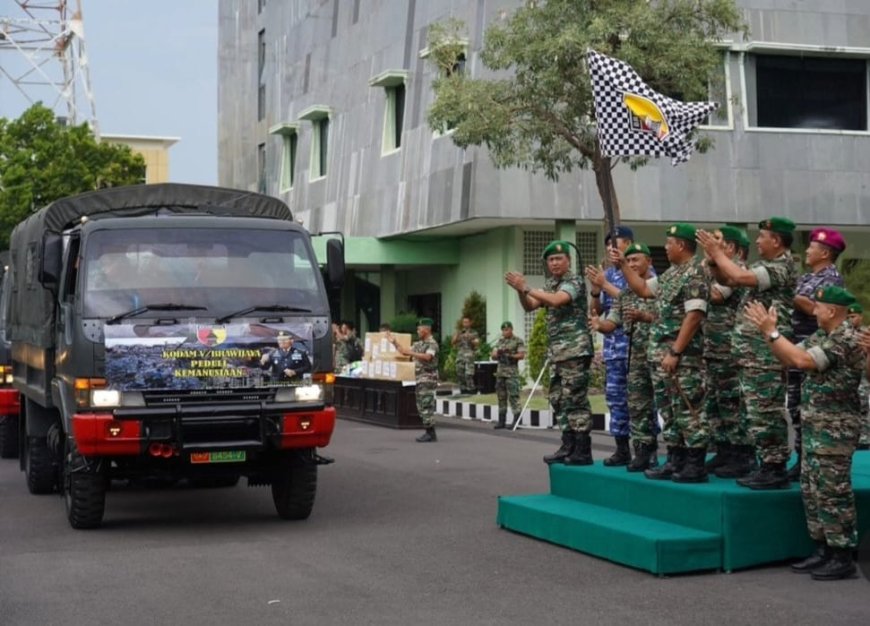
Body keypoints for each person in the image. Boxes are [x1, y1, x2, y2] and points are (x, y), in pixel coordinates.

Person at [745, 286, 864, 581]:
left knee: (832, 491)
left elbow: (803, 362)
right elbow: (793, 354)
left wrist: (772, 333)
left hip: (834, 428)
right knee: (812, 489)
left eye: (819, 305)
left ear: (833, 310)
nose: (814, 309)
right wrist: (768, 332)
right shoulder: (822, 335)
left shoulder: (845, 337)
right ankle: (823, 548)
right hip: (816, 425)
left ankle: (842, 554)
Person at [698, 217, 798, 490]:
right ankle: (765, 464)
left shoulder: (782, 267)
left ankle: (774, 466)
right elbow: (727, 277)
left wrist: (718, 253)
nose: (756, 241)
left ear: (776, 240)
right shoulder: (762, 265)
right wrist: (713, 259)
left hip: (766, 351)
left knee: (766, 409)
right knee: (754, 410)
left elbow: (739, 277)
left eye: (762, 237)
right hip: (750, 351)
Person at [618, 224, 710, 482]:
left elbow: (694, 315)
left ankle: (695, 463)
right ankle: (675, 458)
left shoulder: (694, 273)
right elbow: (644, 290)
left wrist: (675, 351)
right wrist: (623, 265)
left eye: (669, 243)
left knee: (688, 407)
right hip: (659, 356)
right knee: (668, 410)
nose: (666, 247)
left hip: (681, 357)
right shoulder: (671, 275)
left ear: (681, 245)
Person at [505, 240, 594, 466]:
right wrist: (520, 291)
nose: (554, 263)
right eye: (551, 260)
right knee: (558, 398)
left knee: (575, 399)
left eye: (558, 259)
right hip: (558, 352)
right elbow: (530, 305)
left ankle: (582, 449)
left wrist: (526, 286)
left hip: (574, 350)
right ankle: (568, 445)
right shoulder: (551, 283)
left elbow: (557, 300)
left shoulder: (572, 282)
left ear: (568, 260)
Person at [587, 242, 660, 471]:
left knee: (660, 404)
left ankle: (666, 453)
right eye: (628, 262)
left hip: (659, 355)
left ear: (649, 261)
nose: (631, 265)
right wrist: (600, 325)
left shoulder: (660, 285)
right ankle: (639, 451)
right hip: (633, 355)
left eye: (636, 260)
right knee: (635, 404)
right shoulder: (627, 293)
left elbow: (672, 318)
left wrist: (644, 316)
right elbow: (613, 321)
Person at [787, 228, 846, 481]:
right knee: (795, 405)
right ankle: (801, 459)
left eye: (812, 247)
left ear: (825, 252)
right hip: (798, 344)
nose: (807, 251)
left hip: (815, 348)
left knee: (809, 405)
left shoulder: (830, 279)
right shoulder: (808, 277)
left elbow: (814, 309)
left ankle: (806, 461)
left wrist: (794, 296)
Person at [701, 226, 754, 479]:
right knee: (715, 404)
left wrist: (707, 269)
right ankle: (723, 451)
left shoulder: (738, 270)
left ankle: (742, 455)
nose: (712, 242)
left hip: (730, 349)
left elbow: (716, 295)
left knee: (733, 404)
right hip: (712, 348)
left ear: (731, 248)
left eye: (718, 240)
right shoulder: (713, 268)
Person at [589, 226, 637, 466]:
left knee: (638, 399)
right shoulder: (606, 273)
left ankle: (644, 449)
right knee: (616, 398)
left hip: (633, 346)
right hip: (612, 347)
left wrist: (605, 285)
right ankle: (621, 449)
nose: (610, 249)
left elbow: (637, 297)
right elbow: (596, 311)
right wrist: (596, 291)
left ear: (628, 244)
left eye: (615, 244)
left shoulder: (640, 270)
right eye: (608, 245)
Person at [391, 318, 439, 442]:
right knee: (420, 405)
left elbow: (428, 357)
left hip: (428, 378)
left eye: (419, 328)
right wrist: (394, 343)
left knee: (426, 404)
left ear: (426, 329)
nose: (417, 331)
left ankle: (431, 433)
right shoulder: (419, 344)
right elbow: (404, 352)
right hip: (419, 377)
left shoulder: (432, 344)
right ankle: (428, 430)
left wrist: (412, 353)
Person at [490, 321, 525, 430]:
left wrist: (511, 355)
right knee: (501, 397)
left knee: (514, 396)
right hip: (500, 373)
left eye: (506, 330)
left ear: (511, 329)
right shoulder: (500, 341)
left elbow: (521, 355)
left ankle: (517, 420)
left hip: (511, 373)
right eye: (503, 330)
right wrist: (498, 353)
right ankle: (502, 420)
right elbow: (493, 355)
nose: (505, 332)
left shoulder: (518, 341)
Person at [849, 302, 869, 451]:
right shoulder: (842, 334)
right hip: (849, 375)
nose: (851, 320)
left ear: (860, 317)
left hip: (864, 375)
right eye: (848, 317)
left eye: (853, 316)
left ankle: (865, 437)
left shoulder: (865, 334)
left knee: (864, 405)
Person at [452, 316, 480, 394]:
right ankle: (463, 389)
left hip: (469, 355)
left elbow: (477, 343)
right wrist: (457, 335)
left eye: (467, 322)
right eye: (464, 322)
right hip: (460, 355)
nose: (465, 324)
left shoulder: (473, 332)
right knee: (459, 372)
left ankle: (471, 388)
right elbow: (453, 342)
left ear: (470, 323)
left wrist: (471, 338)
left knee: (468, 374)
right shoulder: (459, 332)